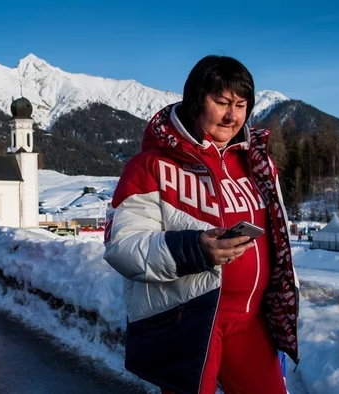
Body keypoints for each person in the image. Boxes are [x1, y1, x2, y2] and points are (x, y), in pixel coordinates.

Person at [103, 55, 300, 394]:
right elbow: (122, 246)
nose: (232, 115)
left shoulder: (258, 164)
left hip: (251, 320)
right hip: (190, 320)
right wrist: (194, 249)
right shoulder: (150, 166)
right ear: (195, 101)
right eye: (221, 102)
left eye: (240, 105)